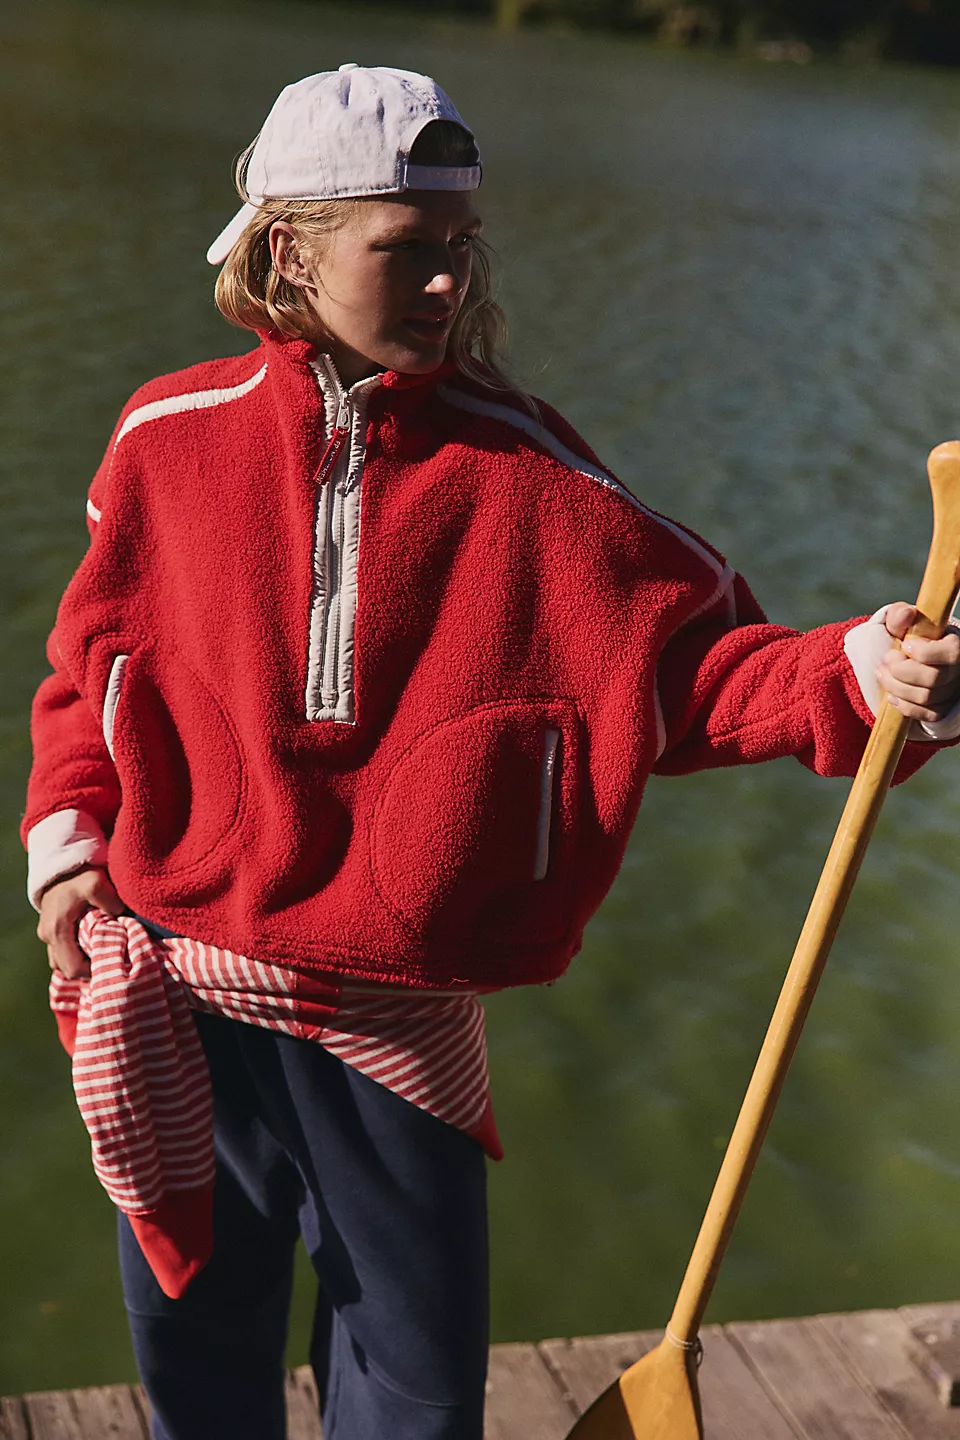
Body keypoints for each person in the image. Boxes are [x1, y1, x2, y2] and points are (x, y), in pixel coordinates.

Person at [22, 64, 960, 1440]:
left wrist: (865, 673)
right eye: (405, 249)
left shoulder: (537, 480)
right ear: (289, 250)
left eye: (461, 246)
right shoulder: (166, 439)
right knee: (196, 1357)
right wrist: (66, 849)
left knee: (415, 1390)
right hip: (177, 989)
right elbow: (86, 673)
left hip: (393, 1022)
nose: (448, 282)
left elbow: (697, 676)